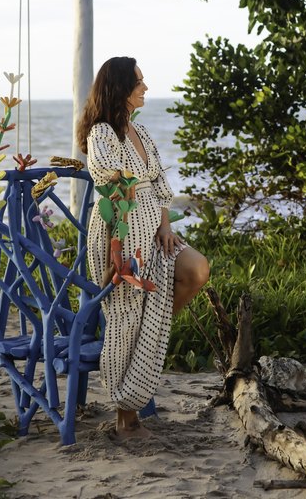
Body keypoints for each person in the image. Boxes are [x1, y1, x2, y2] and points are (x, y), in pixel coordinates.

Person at [77, 57, 210, 438]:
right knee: (126, 317)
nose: (145, 87)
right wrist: (128, 233)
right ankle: (127, 418)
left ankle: (154, 331)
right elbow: (111, 180)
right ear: (120, 89)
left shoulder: (142, 132)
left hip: (154, 230)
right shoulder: (102, 133)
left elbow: (161, 187)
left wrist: (165, 226)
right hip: (120, 232)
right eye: (138, 82)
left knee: (197, 269)